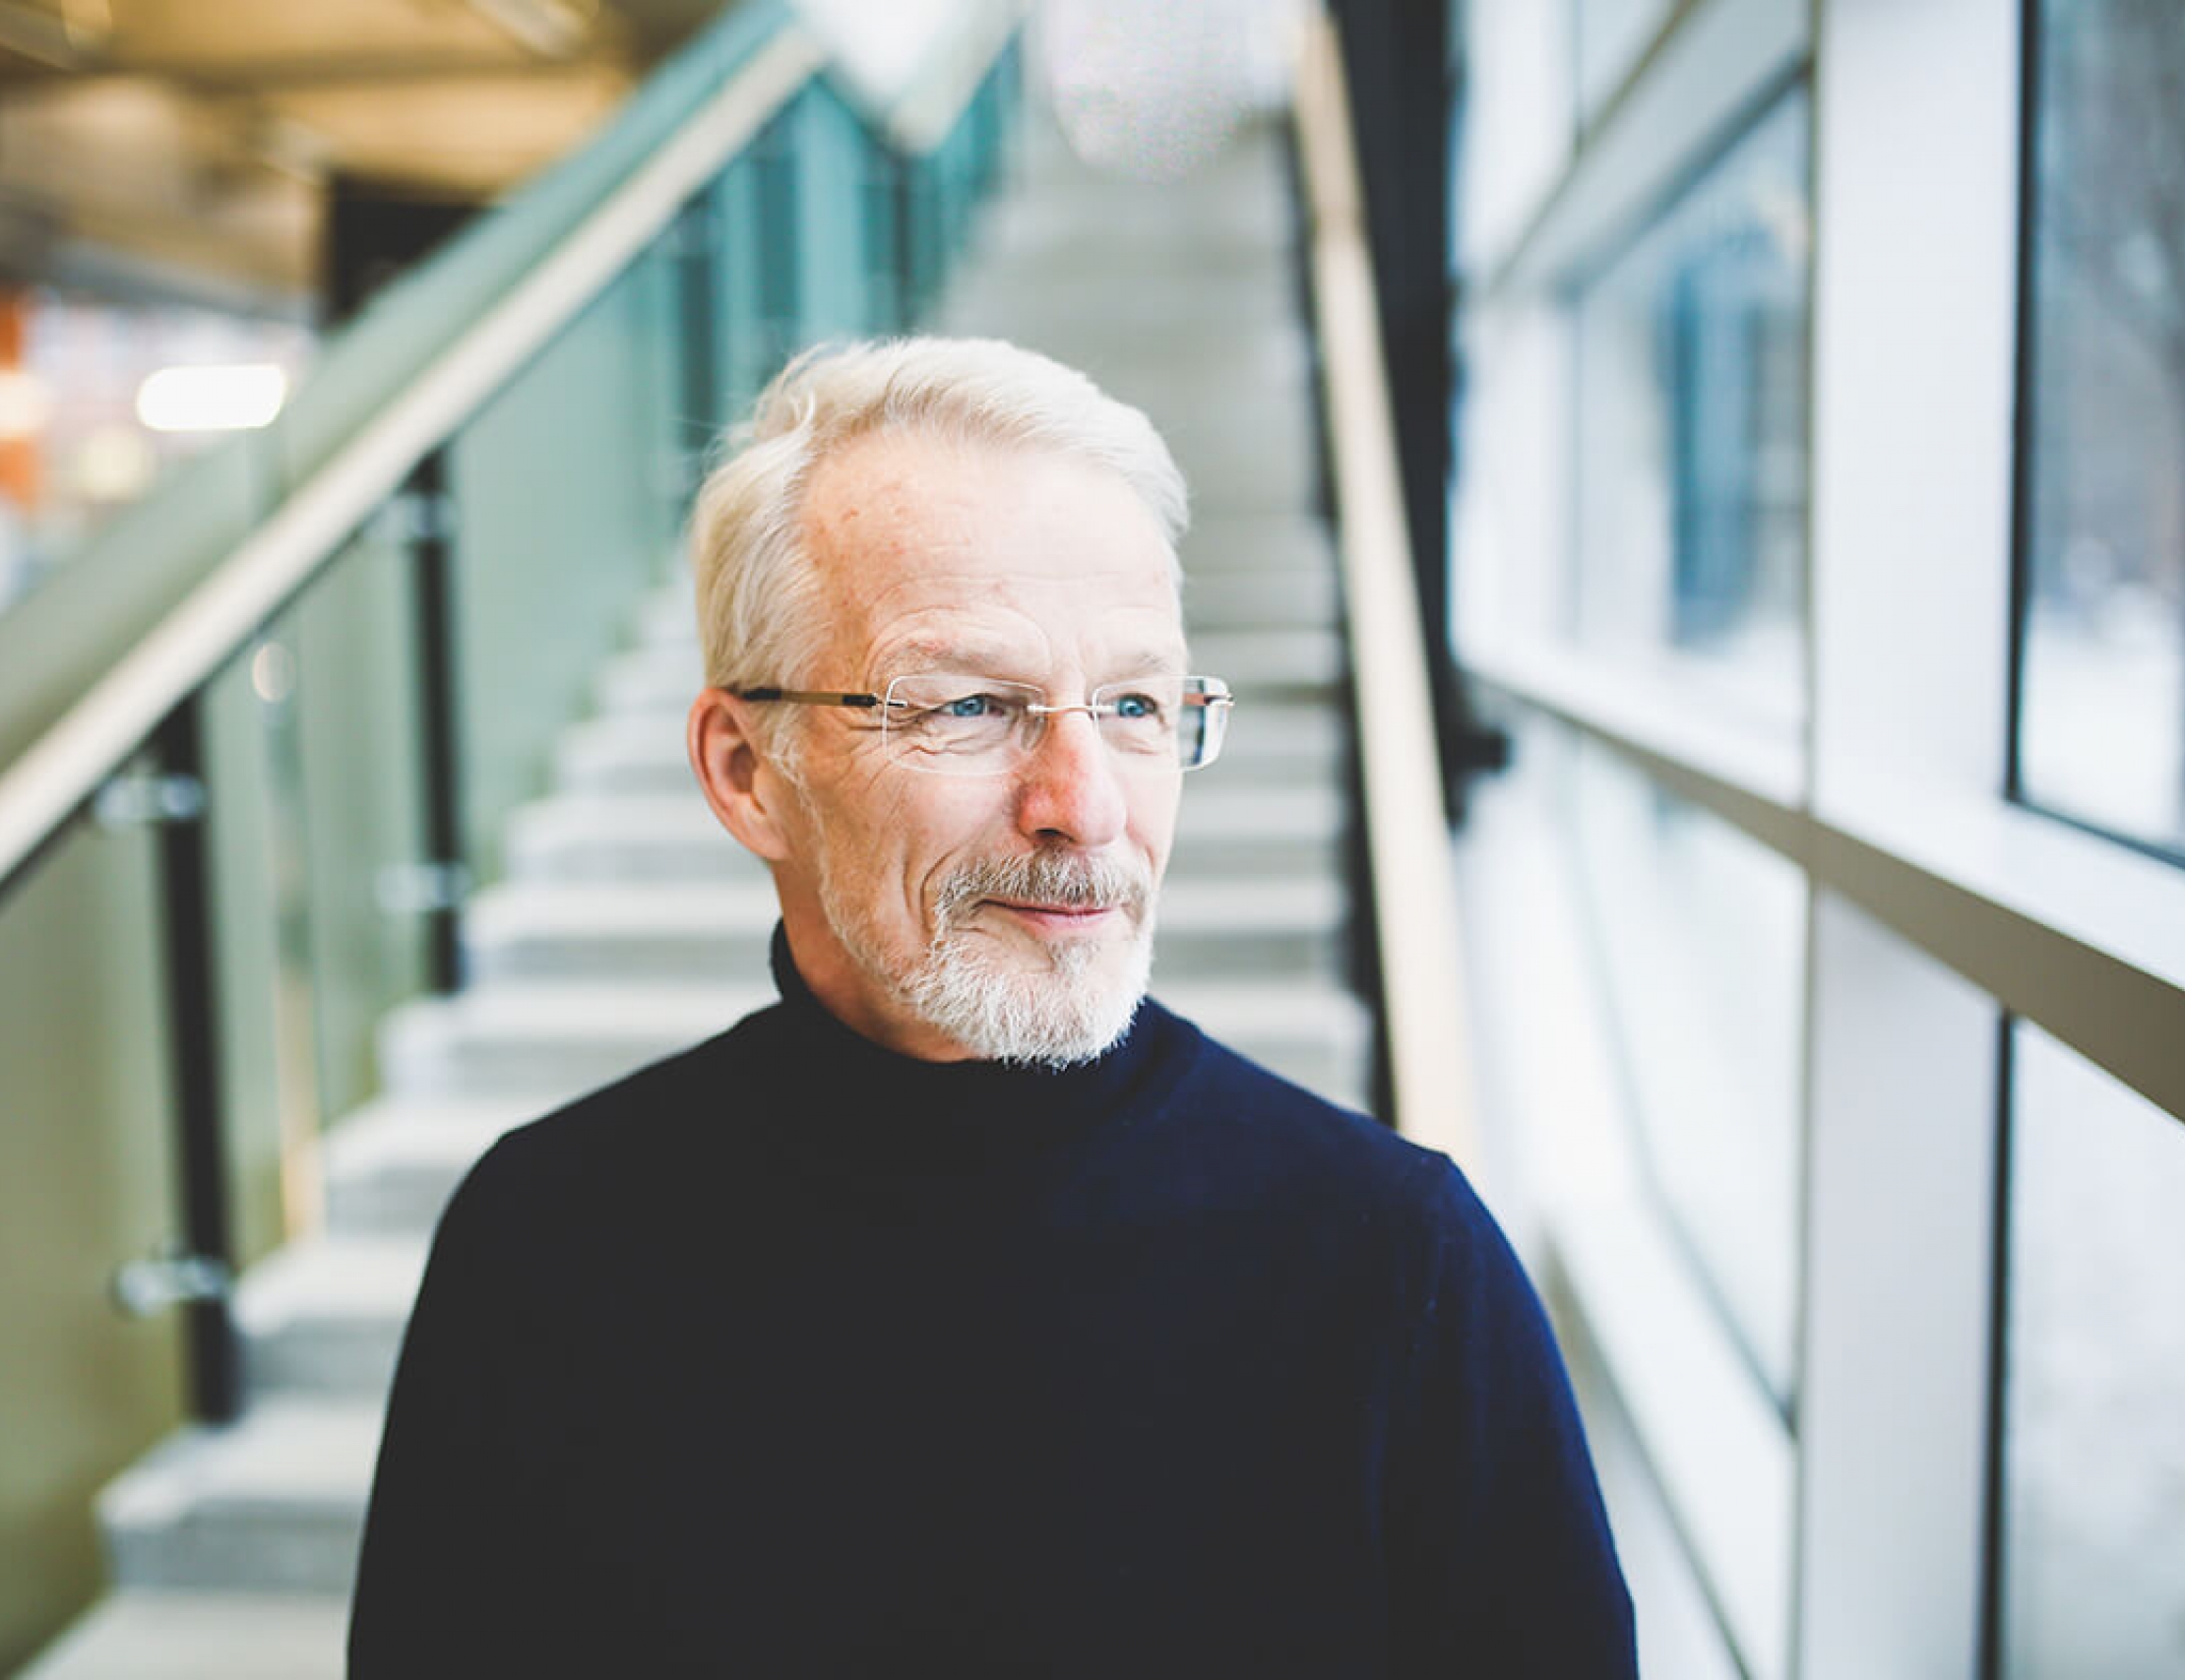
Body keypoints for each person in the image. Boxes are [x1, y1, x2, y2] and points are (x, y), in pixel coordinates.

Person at [349, 338, 1636, 1675]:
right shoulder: (546, 1242)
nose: (1084, 807)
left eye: (1135, 702)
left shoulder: (1395, 1262)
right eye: (970, 704)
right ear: (747, 772)